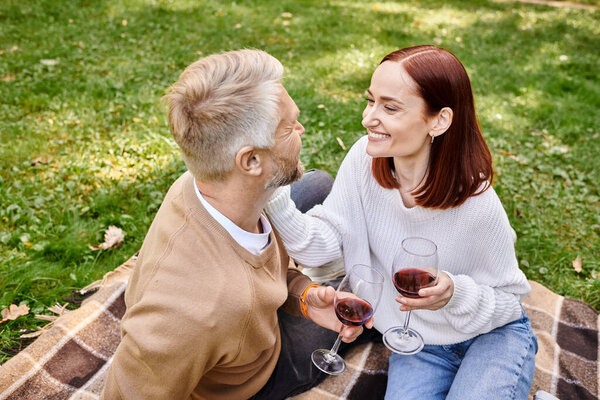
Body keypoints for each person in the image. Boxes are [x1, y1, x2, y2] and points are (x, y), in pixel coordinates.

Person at [265, 45, 538, 399]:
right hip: (417, 343)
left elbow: (510, 302)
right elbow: (321, 247)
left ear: (438, 121)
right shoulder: (363, 161)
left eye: (390, 107)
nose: (368, 118)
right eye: (370, 101)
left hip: (491, 335)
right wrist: (271, 191)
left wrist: (454, 293)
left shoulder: (477, 203)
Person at [100, 49, 369, 400]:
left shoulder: (201, 184)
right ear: (252, 160)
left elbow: (258, 272)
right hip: (256, 374)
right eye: (289, 126)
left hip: (246, 312)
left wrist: (303, 294)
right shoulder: (193, 313)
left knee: (317, 185)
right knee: (372, 297)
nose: (301, 129)